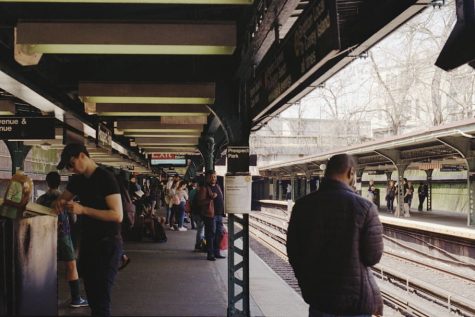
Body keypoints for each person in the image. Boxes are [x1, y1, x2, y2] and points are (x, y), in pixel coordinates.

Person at [287, 154, 384, 317]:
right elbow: (372, 257)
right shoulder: (365, 207)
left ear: (327, 172)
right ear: (351, 172)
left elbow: (294, 252)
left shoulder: (302, 206)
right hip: (355, 304)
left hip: (319, 299)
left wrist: (307, 283)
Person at [53, 143, 123, 317]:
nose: (71, 169)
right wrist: (59, 203)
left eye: (71, 164)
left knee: (101, 300)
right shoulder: (77, 181)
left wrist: (83, 210)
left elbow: (117, 215)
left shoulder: (106, 178)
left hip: (107, 245)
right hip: (89, 245)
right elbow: (62, 199)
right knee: (93, 297)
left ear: (82, 156)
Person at [37, 171, 88, 308]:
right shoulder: (64, 198)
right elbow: (73, 218)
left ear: (47, 182)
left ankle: (46, 297)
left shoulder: (40, 199)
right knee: (71, 265)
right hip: (63, 235)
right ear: (59, 182)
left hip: (45, 237)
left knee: (46, 268)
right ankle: (76, 298)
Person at [197, 170, 225, 261]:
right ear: (207, 178)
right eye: (212, 177)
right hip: (210, 215)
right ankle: (210, 254)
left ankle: (217, 252)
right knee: (210, 234)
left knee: (219, 234)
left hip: (219, 214)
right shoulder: (204, 188)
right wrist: (211, 198)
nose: (214, 178)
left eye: (215, 177)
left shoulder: (217, 186)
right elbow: (200, 203)